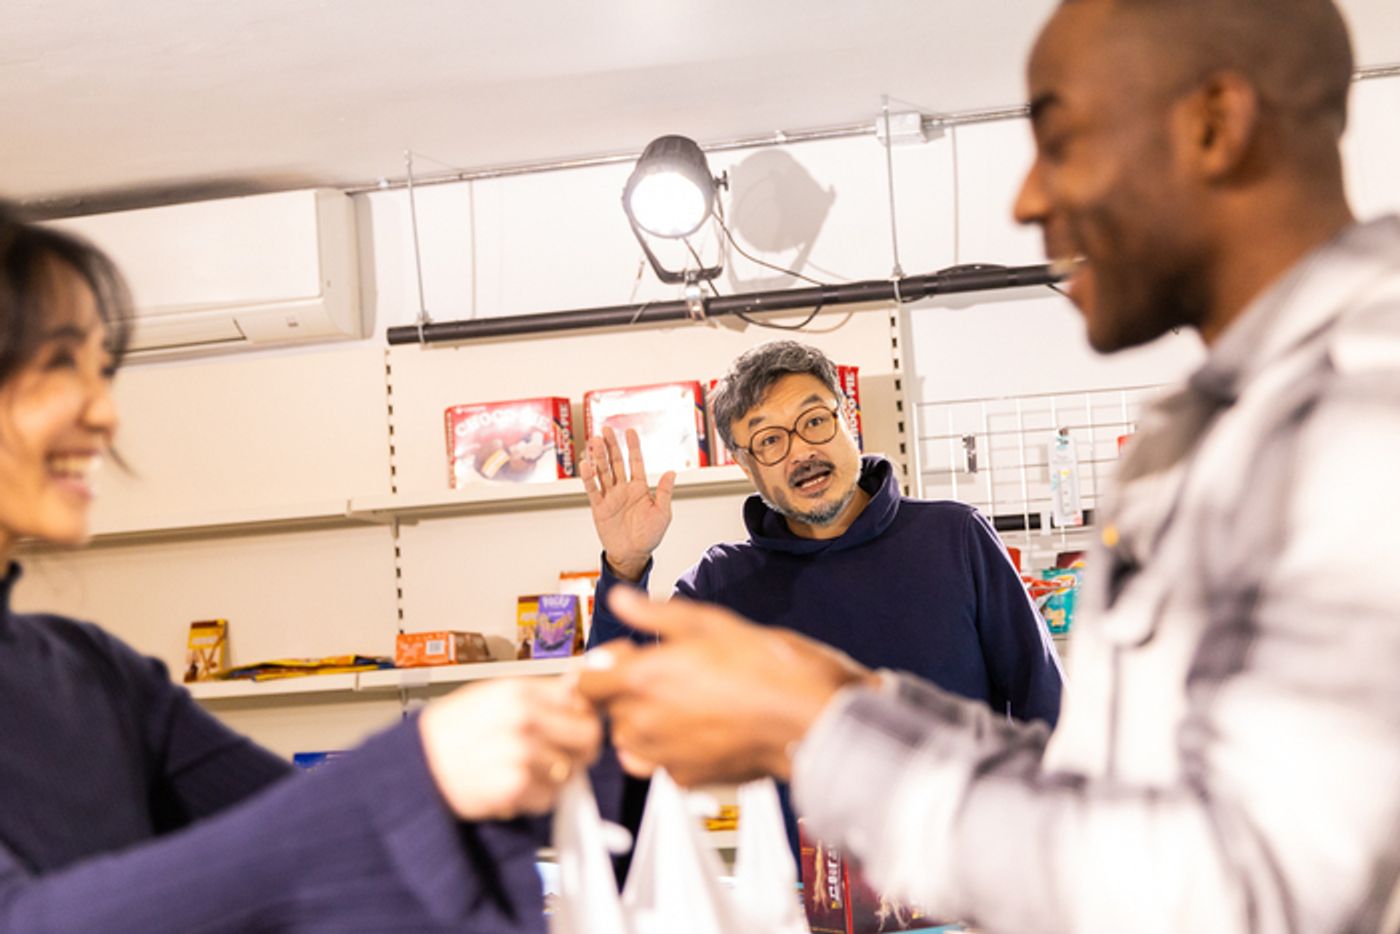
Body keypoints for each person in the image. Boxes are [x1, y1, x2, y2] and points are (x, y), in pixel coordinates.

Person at [580, 0, 1400, 931]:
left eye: (1065, 142)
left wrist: (835, 724)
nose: (1025, 202)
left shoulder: (1366, 416)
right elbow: (1128, 820)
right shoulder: (1212, 438)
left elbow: (1244, 883)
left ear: (1215, 125)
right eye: (768, 439)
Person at [0, 201, 600, 932]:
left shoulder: (90, 671)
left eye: (101, 370)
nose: (104, 413)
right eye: (59, 364)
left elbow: (314, 844)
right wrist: (416, 770)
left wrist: (534, 752)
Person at [579, 340, 1063, 855]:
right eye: (769, 441)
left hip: (971, 885)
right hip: (817, 903)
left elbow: (1046, 703)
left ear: (847, 418)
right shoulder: (722, 583)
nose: (801, 452)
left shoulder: (955, 537)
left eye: (814, 421)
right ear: (747, 467)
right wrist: (624, 566)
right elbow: (625, 717)